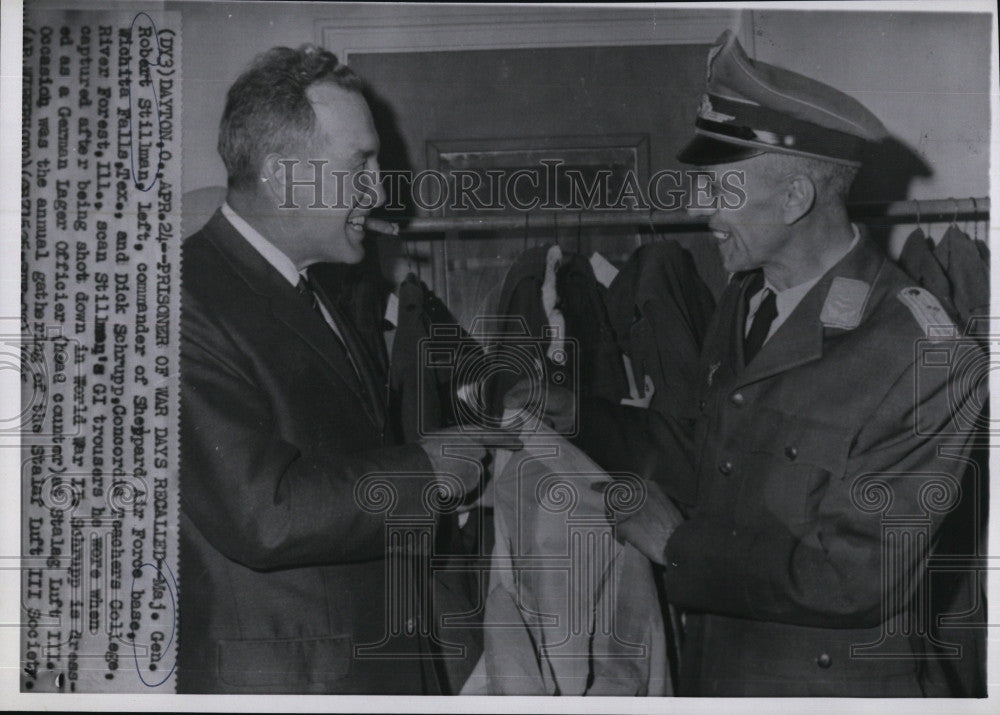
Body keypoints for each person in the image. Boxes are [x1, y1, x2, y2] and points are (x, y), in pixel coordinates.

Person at [566, 31, 984, 696]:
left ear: (795, 199)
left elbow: (855, 574)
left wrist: (677, 546)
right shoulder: (746, 300)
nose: (697, 208)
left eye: (717, 188)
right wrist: (569, 413)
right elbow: (703, 449)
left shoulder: (925, 356)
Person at [178, 45, 508, 694]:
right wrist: (427, 470)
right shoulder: (183, 295)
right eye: (360, 163)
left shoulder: (317, 290)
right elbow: (263, 511)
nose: (380, 189)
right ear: (283, 175)